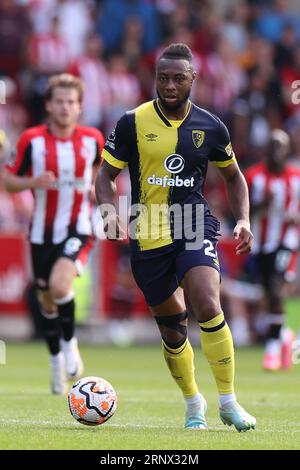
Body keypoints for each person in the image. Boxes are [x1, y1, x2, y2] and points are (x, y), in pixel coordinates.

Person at [96, 43, 256, 432]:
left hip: (192, 223)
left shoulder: (211, 126)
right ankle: (193, 403)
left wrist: (244, 219)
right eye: (162, 78)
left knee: (207, 302)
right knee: (173, 329)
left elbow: (234, 176)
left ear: (193, 79)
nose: (169, 85)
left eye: (178, 78)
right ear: (155, 78)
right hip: (146, 231)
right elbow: (105, 177)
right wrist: (108, 210)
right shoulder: (131, 123)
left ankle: (229, 402)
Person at [3, 73, 105, 394]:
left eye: (71, 102)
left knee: (61, 285)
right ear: (48, 105)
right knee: (46, 300)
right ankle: (55, 363)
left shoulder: (93, 139)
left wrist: (95, 190)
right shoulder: (32, 140)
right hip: (41, 233)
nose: (65, 108)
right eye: (59, 101)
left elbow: (102, 171)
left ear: (79, 107)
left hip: (79, 227)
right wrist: (34, 182)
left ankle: (71, 345)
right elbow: (9, 181)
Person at [245, 129, 300, 371]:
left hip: (287, 242)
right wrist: (261, 204)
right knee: (268, 292)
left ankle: (272, 349)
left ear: (288, 150)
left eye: (281, 147)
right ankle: (285, 335)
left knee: (277, 288)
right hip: (260, 244)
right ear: (266, 150)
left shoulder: (296, 177)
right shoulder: (253, 176)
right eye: (273, 147)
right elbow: (238, 209)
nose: (277, 152)